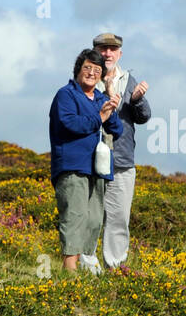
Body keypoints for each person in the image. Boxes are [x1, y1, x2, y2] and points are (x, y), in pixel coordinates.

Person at [49, 48, 122, 273]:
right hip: (72, 166)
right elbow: (71, 124)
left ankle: (83, 270)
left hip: (97, 168)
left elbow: (116, 129)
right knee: (75, 217)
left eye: (96, 69)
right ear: (78, 70)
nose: (91, 72)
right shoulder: (66, 95)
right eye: (87, 67)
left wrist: (111, 104)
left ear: (101, 75)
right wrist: (99, 117)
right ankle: (69, 274)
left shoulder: (101, 98)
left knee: (93, 219)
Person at [90, 33, 151, 270]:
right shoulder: (86, 77)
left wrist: (136, 100)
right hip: (90, 158)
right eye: (103, 48)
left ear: (120, 54)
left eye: (112, 49)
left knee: (118, 219)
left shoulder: (129, 80)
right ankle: (87, 266)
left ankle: (115, 268)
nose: (107, 53)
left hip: (122, 160)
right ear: (95, 50)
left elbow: (144, 117)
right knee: (91, 215)